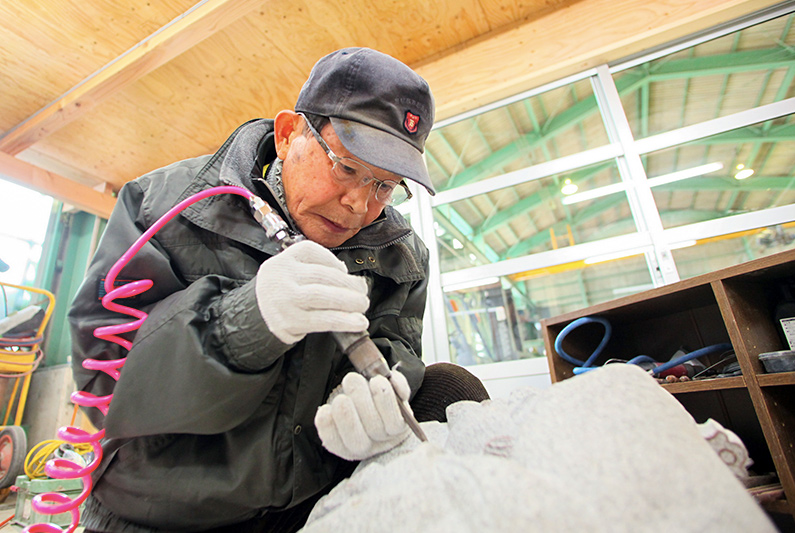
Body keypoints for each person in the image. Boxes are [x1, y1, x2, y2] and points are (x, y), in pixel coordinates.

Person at [68, 47, 489, 533]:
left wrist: (376, 397)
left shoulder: (401, 254)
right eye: (346, 168)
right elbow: (102, 380)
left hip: (307, 505)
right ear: (290, 134)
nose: (357, 205)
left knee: (451, 388)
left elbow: (397, 349)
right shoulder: (163, 204)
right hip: (163, 514)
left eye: (385, 186)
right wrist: (244, 324)